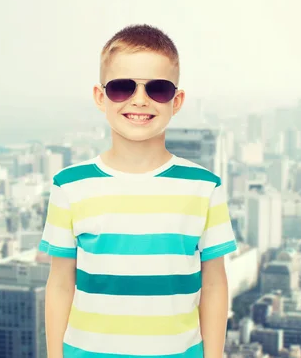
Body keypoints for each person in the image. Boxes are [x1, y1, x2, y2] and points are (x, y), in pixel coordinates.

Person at [39, 24, 238, 358]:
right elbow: (60, 282)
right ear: (100, 97)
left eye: (158, 89)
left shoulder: (205, 187)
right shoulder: (69, 186)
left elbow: (215, 283)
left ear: (177, 101)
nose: (140, 100)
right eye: (121, 88)